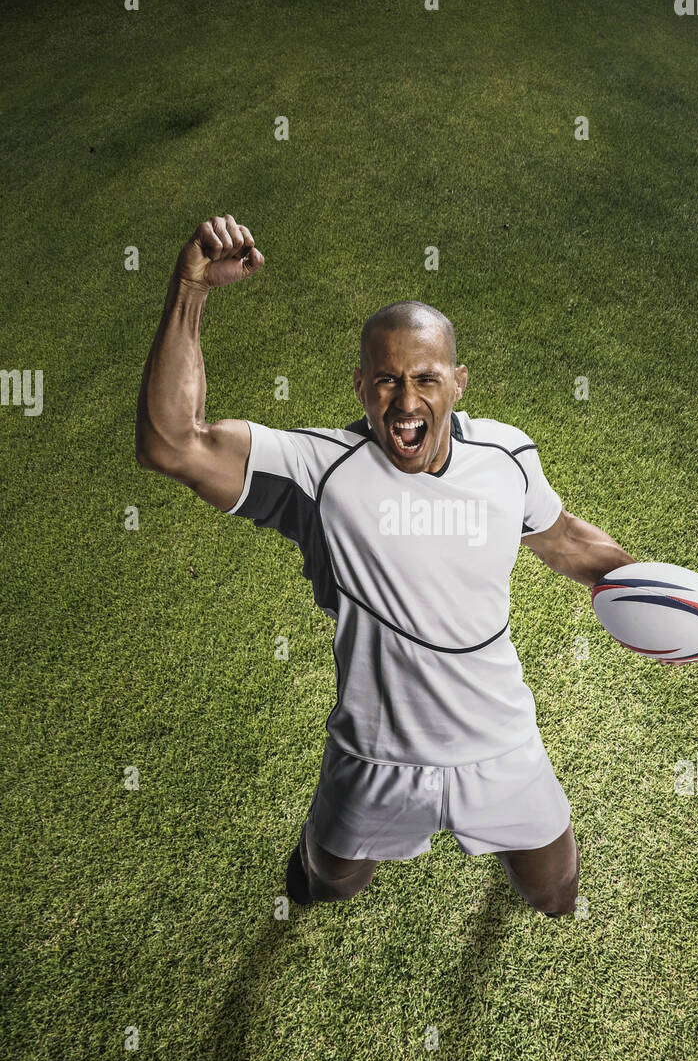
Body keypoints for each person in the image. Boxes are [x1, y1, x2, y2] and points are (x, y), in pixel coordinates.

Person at [136, 215, 635, 917]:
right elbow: (171, 444)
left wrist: (646, 593)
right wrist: (190, 287)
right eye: (386, 381)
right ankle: (314, 875)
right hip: (372, 755)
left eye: (426, 379)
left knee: (555, 890)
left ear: (459, 382)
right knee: (328, 881)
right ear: (360, 385)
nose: (405, 402)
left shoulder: (507, 456)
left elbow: (562, 538)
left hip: (501, 744)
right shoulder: (318, 470)